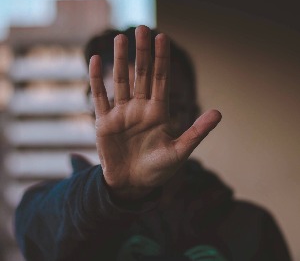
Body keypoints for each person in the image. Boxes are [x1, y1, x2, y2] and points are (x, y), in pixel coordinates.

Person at [15, 26, 291, 261]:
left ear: (194, 112)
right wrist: (116, 192)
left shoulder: (249, 227)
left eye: (167, 105)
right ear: (94, 118)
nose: (142, 123)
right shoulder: (65, 214)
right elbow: (36, 235)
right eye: (120, 106)